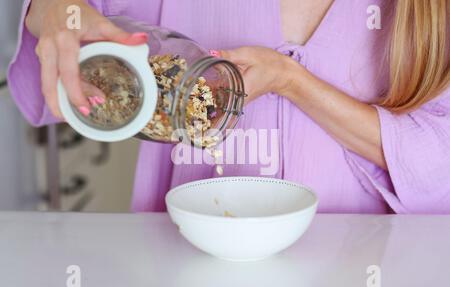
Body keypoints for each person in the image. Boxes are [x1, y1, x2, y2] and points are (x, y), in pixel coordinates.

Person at [8, 0, 450, 214]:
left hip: (356, 277)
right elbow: (64, 12)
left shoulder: (423, 14)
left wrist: (291, 80)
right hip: (184, 279)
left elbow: (438, 161)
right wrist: (51, 12)